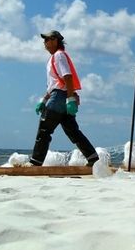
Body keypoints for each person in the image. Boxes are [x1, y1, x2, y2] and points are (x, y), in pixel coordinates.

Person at [30, 30, 99, 167]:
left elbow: (67, 77)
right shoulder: (54, 58)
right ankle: (93, 159)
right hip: (60, 96)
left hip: (59, 98)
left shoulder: (59, 55)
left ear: (55, 40)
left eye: (47, 40)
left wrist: (70, 99)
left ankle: (35, 163)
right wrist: (43, 100)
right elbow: (55, 84)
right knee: (73, 131)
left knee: (45, 130)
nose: (45, 43)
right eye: (44, 41)